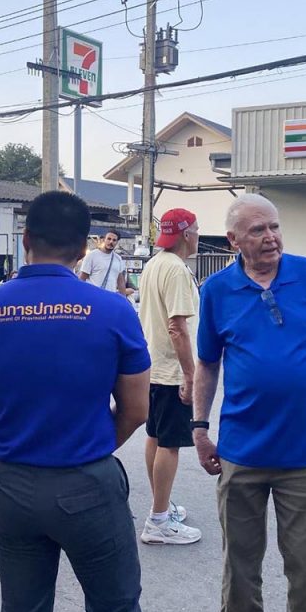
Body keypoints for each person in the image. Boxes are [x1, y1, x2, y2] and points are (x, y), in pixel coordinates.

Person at [0, 191, 150, 612]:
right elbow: (137, 410)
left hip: (12, 487)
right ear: (84, 248)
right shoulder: (114, 310)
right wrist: (89, 443)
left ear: (26, 239)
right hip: (88, 481)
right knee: (116, 609)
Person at [192, 193, 306, 612]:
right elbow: (207, 363)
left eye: (275, 227)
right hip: (241, 454)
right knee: (240, 572)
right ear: (233, 240)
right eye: (258, 230)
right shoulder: (217, 291)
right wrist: (200, 428)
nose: (271, 237)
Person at [137, 208, 202, 546]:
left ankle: (160, 507)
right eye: (196, 230)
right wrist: (190, 376)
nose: (198, 236)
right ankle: (159, 520)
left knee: (156, 436)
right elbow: (177, 327)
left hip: (154, 365)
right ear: (187, 234)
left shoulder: (154, 264)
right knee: (170, 443)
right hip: (172, 370)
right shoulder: (176, 269)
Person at [79, 228, 130, 295]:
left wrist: (123, 298)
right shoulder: (92, 255)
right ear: (104, 240)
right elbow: (82, 278)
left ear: (117, 242)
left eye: (114, 240)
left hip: (110, 297)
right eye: (109, 239)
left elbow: (120, 282)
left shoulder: (118, 259)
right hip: (94, 296)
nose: (111, 242)